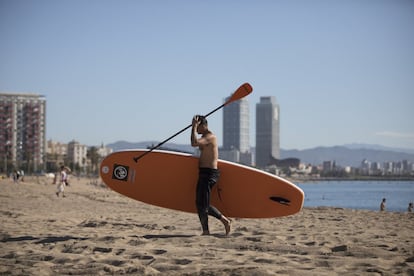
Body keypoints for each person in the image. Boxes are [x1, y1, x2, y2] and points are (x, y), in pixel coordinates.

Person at [191, 115, 231, 236]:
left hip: (209, 174)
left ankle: (225, 220)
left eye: (198, 127)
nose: (197, 130)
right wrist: (194, 127)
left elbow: (194, 143)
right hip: (203, 173)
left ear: (203, 125)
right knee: (199, 203)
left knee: (205, 205)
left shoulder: (210, 137)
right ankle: (206, 231)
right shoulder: (205, 137)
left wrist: (193, 127)